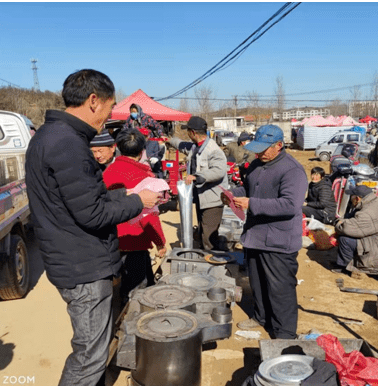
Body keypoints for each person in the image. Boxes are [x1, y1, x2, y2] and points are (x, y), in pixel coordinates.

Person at [25, 69, 160, 386]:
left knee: (95, 347)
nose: (110, 116)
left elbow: (83, 202)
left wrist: (126, 194)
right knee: (89, 356)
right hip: (82, 266)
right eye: (110, 107)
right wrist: (138, 202)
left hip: (71, 257)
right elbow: (92, 215)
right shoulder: (68, 143)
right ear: (93, 101)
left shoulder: (49, 136)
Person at [222, 125, 308, 339]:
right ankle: (261, 317)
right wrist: (233, 194)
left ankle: (284, 332)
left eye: (264, 149)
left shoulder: (292, 170)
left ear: (279, 145)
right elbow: (250, 189)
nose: (259, 153)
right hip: (255, 236)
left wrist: (252, 204)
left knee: (280, 289)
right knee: (257, 282)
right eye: (257, 149)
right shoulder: (255, 165)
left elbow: (290, 205)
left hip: (278, 240)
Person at [102, 128, 167, 303]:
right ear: (141, 152)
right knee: (137, 295)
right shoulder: (145, 176)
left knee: (117, 290)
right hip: (135, 243)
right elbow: (149, 216)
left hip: (111, 244)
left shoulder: (107, 173)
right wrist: (160, 241)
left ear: (118, 148)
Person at [170, 116, 228, 251]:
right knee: (202, 231)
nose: (187, 134)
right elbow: (181, 144)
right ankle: (204, 257)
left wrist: (197, 177)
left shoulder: (213, 150)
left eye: (188, 131)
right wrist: (168, 139)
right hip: (202, 199)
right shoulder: (195, 147)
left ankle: (211, 263)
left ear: (193, 133)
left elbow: (219, 171)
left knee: (208, 237)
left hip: (213, 201)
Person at [332, 185, 378, 277]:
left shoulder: (367, 213)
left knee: (344, 239)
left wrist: (338, 223)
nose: (350, 200)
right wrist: (343, 220)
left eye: (352, 197)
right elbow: (350, 217)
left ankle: (345, 267)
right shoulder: (376, 202)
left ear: (357, 198)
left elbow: (346, 228)